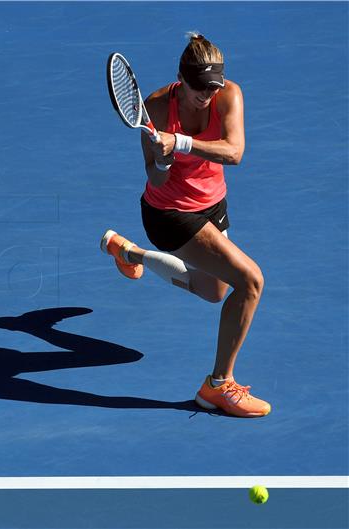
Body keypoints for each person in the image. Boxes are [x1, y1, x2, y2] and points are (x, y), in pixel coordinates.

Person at [100, 32, 271, 418]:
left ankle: (127, 251)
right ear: (181, 78)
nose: (206, 97)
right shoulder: (156, 108)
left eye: (213, 88)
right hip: (169, 214)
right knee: (251, 281)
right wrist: (160, 160)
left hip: (213, 204)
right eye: (198, 90)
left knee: (213, 292)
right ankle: (217, 386)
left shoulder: (229, 95)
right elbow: (156, 179)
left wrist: (178, 143)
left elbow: (235, 152)